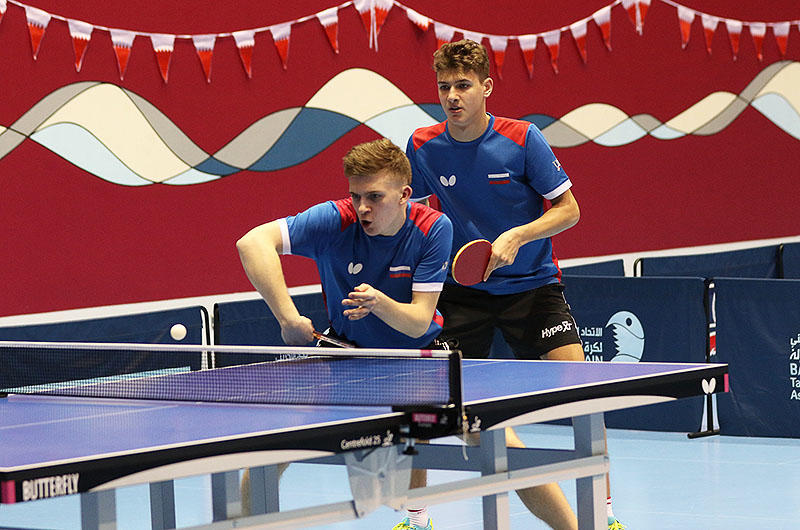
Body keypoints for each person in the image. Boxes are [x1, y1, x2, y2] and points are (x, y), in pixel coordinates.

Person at [405, 39, 624, 530]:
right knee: (429, 401)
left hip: (533, 287)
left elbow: (569, 210)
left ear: (486, 87)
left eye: (463, 85)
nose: (452, 96)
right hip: (463, 293)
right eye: (444, 86)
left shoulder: (523, 139)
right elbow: (411, 217)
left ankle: (605, 513)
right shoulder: (422, 145)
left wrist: (519, 235)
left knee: (585, 397)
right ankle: (415, 517)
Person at [236, 138, 451, 529]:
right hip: (345, 353)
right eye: (356, 195)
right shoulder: (335, 220)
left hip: (416, 357)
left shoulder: (433, 227)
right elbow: (251, 242)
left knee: (488, 437)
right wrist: (287, 318)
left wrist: (379, 302)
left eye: (375, 197)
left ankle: (418, 520)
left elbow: (419, 321)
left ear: (404, 195)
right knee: (274, 446)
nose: (363, 207)